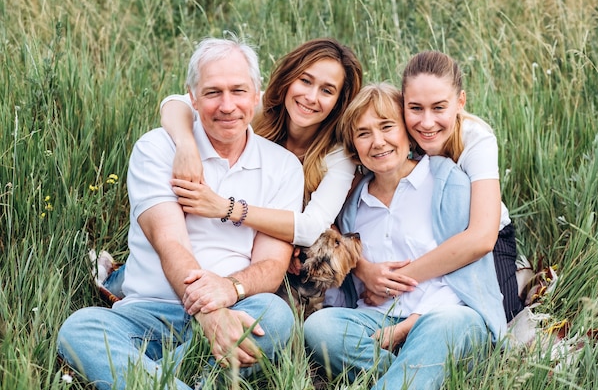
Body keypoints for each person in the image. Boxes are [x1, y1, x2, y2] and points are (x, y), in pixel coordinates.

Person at [58, 37, 305, 389]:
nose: (227, 105)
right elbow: (170, 242)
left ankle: (149, 377)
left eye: (238, 91)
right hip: (149, 314)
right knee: (79, 329)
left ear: (256, 95)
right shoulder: (157, 148)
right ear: (192, 96)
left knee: (275, 315)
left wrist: (227, 293)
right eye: (212, 92)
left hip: (234, 309)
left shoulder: (283, 167)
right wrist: (208, 312)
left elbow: (271, 265)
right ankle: (194, 377)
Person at [99, 38, 363, 301]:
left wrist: (227, 208)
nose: (311, 97)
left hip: (277, 247)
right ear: (288, 79)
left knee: (272, 310)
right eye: (305, 81)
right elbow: (177, 102)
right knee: (166, 259)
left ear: (339, 101)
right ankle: (122, 281)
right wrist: (186, 144)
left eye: (327, 91)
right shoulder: (254, 107)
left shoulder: (338, 154)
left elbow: (310, 228)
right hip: (241, 237)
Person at [303, 83, 506, 390]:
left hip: (445, 315)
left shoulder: (448, 182)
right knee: (319, 328)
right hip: (377, 320)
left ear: (407, 133)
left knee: (445, 327)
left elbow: (468, 269)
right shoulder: (353, 204)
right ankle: (425, 373)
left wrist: (410, 325)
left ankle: (412, 370)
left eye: (387, 127)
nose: (378, 142)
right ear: (353, 145)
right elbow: (351, 283)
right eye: (363, 133)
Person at [353, 51, 523, 322]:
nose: (427, 122)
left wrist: (393, 282)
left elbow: (481, 238)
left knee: (496, 320)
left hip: (480, 240)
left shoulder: (476, 140)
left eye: (439, 107)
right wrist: (363, 269)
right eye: (416, 108)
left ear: (460, 102)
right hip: (424, 239)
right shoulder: (394, 135)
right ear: (402, 106)